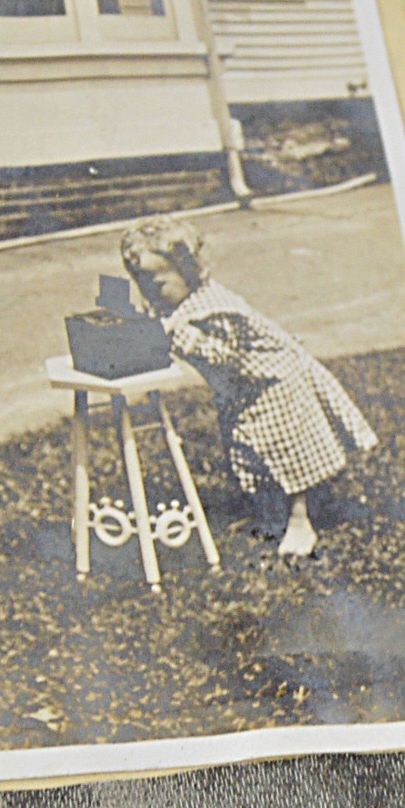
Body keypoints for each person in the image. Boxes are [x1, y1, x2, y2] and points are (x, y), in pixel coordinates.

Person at [120, 214, 378, 557]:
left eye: (157, 281)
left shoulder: (212, 308)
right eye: (141, 282)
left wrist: (174, 336)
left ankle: (301, 521)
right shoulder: (179, 306)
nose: (150, 291)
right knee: (252, 456)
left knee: (288, 453)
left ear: (189, 271)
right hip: (243, 392)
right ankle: (271, 516)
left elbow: (224, 353)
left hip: (275, 385)